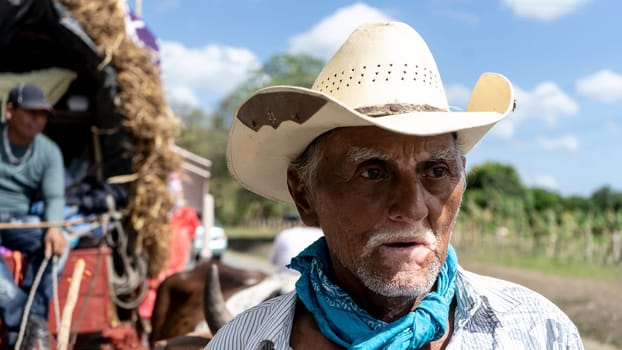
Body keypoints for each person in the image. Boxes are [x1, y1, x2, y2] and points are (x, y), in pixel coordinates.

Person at [207, 21, 583, 349]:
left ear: (462, 182)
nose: (413, 207)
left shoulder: (540, 331)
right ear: (304, 195)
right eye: (372, 172)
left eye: (436, 171)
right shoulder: (244, 342)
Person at [0, 83, 67, 349]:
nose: (37, 120)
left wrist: (54, 228)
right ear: (9, 111)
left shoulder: (49, 151)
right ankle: (28, 322)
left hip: (19, 220)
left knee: (57, 249)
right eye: (30, 112)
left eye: (42, 114)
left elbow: (54, 198)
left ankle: (30, 323)